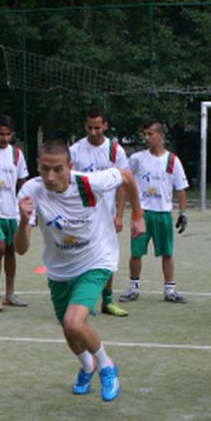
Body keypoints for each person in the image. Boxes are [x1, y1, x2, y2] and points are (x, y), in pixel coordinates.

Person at [14, 139, 145, 402]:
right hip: (60, 268)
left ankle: (107, 366)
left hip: (96, 259)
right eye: (44, 169)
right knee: (68, 328)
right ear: (37, 166)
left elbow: (127, 176)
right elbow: (21, 249)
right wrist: (22, 221)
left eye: (58, 169)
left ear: (69, 167)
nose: (50, 176)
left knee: (75, 321)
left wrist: (138, 216)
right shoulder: (30, 191)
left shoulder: (89, 182)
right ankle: (87, 366)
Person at [69, 107, 130, 317]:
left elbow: (123, 183)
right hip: (81, 214)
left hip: (106, 214)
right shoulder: (76, 150)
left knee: (108, 256)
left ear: (105, 125)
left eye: (97, 127)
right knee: (79, 253)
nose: (93, 131)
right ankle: (81, 300)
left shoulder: (115, 151)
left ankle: (108, 301)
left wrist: (120, 214)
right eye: (89, 127)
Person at [120, 119, 190, 304]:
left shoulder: (172, 160)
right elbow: (126, 181)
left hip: (163, 213)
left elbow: (181, 188)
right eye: (145, 134)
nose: (147, 137)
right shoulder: (137, 159)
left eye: (151, 134)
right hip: (142, 213)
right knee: (136, 252)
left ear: (161, 136)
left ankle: (170, 290)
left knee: (167, 252)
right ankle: (133, 288)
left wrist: (182, 213)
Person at [0, 114, 30, 311]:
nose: (5, 138)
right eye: (1, 134)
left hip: (11, 210)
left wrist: (23, 204)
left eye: (8, 134)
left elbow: (22, 181)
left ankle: (10, 294)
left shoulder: (16, 154)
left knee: (11, 250)